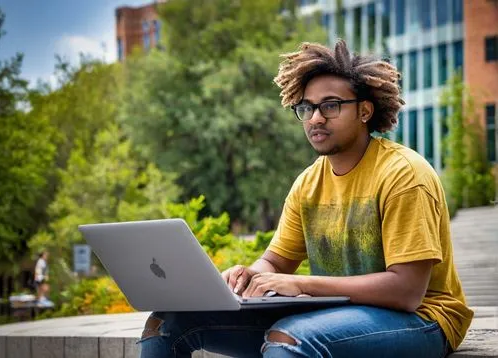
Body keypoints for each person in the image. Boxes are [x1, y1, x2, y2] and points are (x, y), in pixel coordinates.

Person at [138, 40, 473, 357]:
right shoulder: (308, 182)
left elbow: (407, 291)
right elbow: (276, 262)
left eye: (331, 105)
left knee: (290, 338)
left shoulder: (403, 174)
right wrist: (249, 277)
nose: (315, 118)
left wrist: (299, 283)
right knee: (166, 324)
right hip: (336, 316)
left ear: (365, 111)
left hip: (424, 321)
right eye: (306, 108)